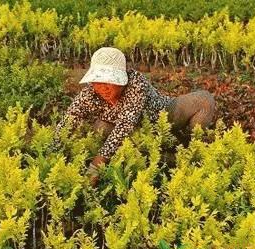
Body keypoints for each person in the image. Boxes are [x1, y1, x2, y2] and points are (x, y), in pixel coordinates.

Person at [53, 47, 215, 186]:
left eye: (110, 81)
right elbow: (68, 120)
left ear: (122, 78)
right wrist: (52, 155)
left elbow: (125, 125)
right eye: (99, 81)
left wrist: (95, 167)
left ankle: (189, 150)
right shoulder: (89, 93)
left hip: (163, 116)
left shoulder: (136, 83)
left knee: (204, 100)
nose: (104, 88)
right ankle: (165, 158)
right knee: (101, 129)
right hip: (133, 135)